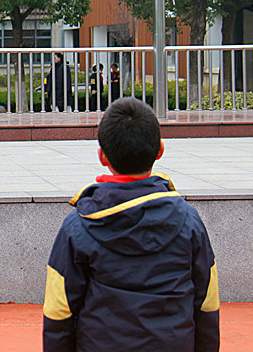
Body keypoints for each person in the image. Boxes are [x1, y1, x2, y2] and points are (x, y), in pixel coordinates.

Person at [43, 97, 219, 352]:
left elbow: (59, 311)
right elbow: (207, 304)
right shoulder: (189, 221)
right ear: (159, 150)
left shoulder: (78, 226)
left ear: (102, 156)